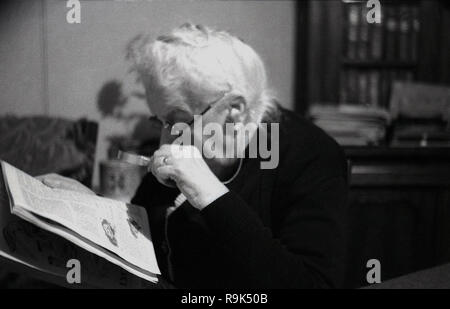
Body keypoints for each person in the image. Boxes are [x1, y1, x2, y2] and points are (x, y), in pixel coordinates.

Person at [41, 23, 348, 288]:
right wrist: (89, 211)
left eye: (175, 120)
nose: (165, 138)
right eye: (159, 121)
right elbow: (144, 235)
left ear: (234, 111)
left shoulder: (311, 157)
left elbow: (311, 283)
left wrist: (212, 194)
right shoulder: (181, 139)